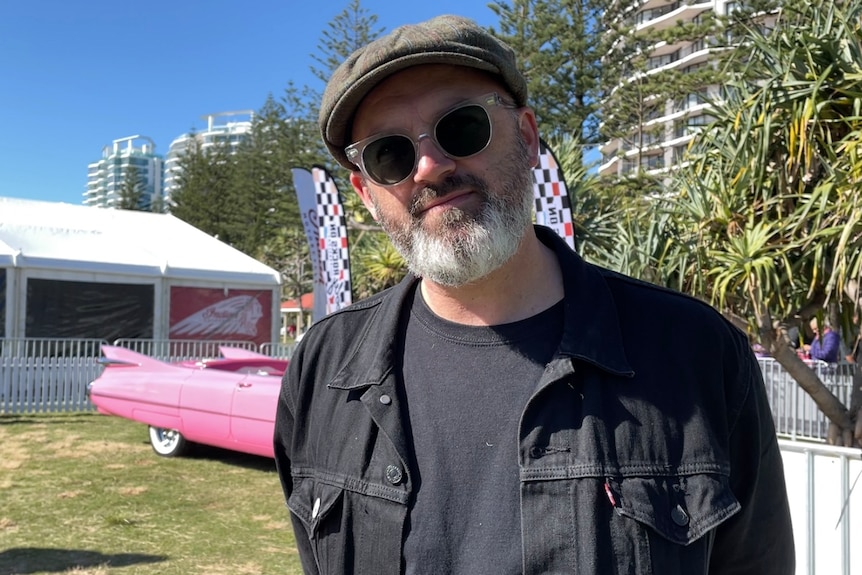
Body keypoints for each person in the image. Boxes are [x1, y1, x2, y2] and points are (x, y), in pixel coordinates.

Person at [273, 14, 794, 575]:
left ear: (526, 137)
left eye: (462, 127)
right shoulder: (322, 370)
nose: (428, 167)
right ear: (367, 193)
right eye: (389, 154)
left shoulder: (696, 354)